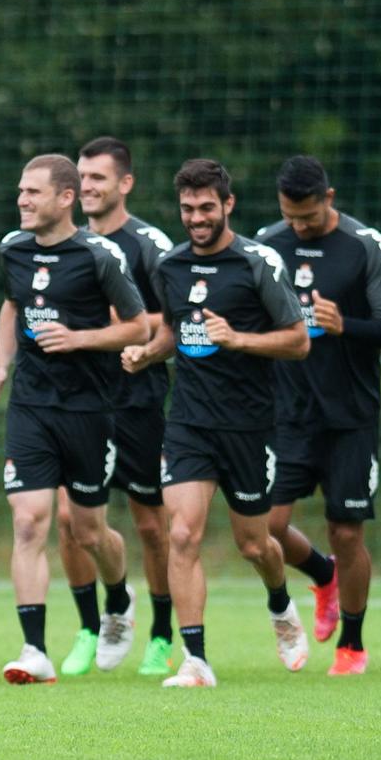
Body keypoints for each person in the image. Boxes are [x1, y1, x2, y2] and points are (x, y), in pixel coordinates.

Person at [121, 159, 310, 687]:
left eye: (207, 207)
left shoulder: (258, 263)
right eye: (188, 209)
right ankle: (196, 660)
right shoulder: (171, 267)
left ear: (228, 205)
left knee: (255, 544)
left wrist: (239, 340)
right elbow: (172, 335)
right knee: (180, 534)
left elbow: (298, 341)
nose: (197, 217)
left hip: (249, 426)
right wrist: (146, 354)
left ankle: (280, 606)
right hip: (188, 423)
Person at [0, 155, 149, 684]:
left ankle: (118, 599)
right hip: (31, 406)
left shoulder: (101, 256)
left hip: (90, 410)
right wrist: (1, 366)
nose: (22, 200)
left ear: (65, 198)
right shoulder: (13, 248)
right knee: (28, 522)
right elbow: (12, 306)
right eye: (20, 191)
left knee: (87, 529)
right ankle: (34, 651)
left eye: (33, 192)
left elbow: (140, 327)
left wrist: (80, 339)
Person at [256, 155, 381, 676]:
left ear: (330, 198)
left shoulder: (366, 245)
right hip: (286, 413)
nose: (299, 227)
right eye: (291, 217)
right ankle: (323, 575)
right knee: (267, 527)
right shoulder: (267, 243)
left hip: (350, 415)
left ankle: (353, 644)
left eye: (309, 218)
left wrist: (348, 326)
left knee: (348, 531)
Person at [60, 137, 180, 676]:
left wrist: (132, 334)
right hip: (81, 400)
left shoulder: (149, 244)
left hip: (138, 400)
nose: (87, 187)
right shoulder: (68, 242)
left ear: (124, 184)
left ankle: (160, 633)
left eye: (97, 179)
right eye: (82, 178)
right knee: (70, 520)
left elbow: (175, 319)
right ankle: (94, 623)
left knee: (152, 526)